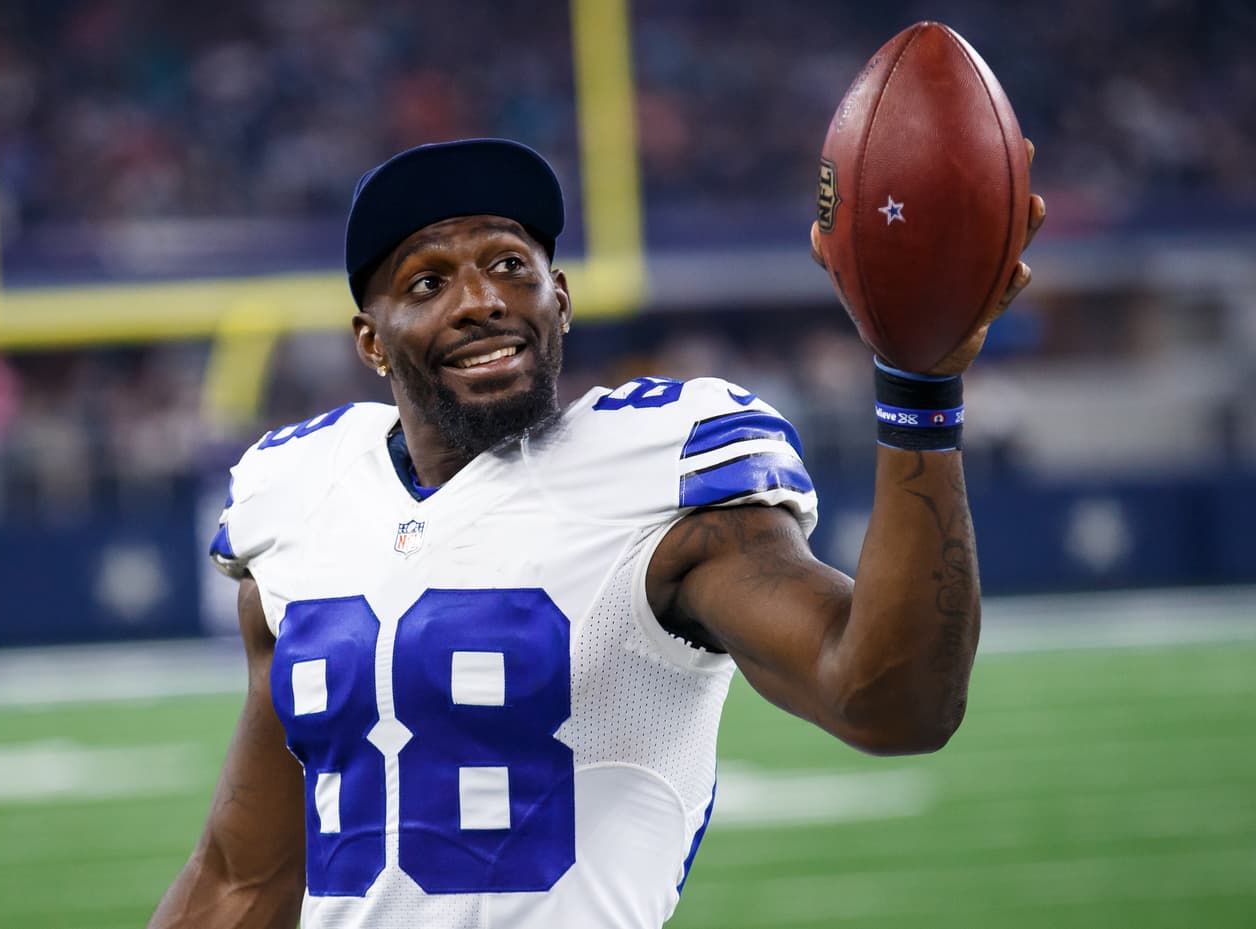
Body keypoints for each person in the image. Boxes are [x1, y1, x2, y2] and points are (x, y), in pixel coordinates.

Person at [148, 137, 1045, 929]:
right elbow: (244, 876)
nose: (479, 301)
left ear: (562, 299)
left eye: (511, 267)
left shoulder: (661, 477)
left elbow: (892, 702)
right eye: (427, 283)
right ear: (371, 342)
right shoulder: (299, 493)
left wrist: (919, 386)